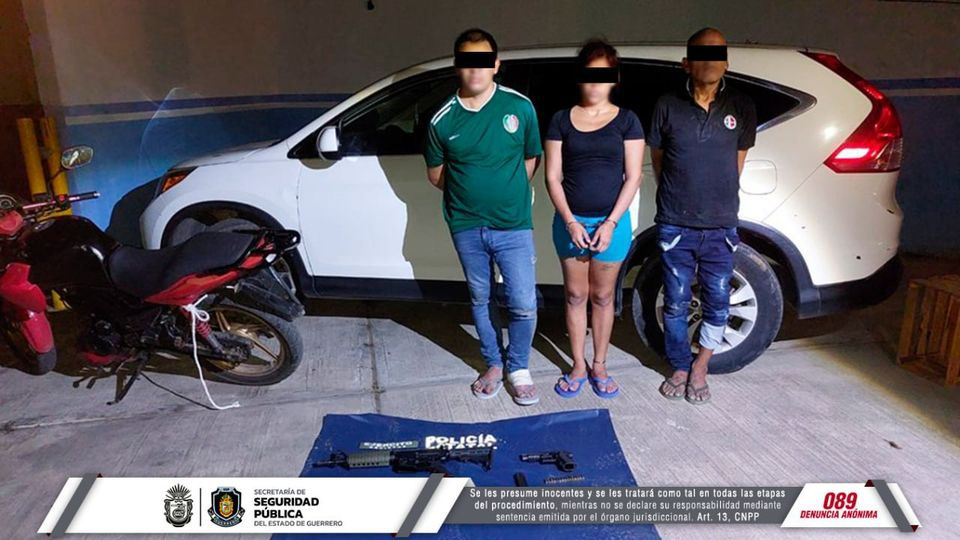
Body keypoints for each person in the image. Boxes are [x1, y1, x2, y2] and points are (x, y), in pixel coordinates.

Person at [423, 28, 543, 405]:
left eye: (482, 61)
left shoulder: (520, 107)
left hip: (513, 225)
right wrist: (472, 193)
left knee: (523, 302)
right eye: (467, 62)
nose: (475, 70)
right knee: (480, 296)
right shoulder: (441, 120)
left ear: (495, 65)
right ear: (457, 66)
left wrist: (505, 193)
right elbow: (437, 175)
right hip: (466, 225)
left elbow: (531, 158)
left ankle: (518, 366)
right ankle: (493, 363)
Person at [647, 27, 757, 404]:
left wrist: (715, 200)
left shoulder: (741, 106)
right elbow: (659, 161)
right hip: (676, 223)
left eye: (717, 54)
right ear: (686, 63)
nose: (710, 61)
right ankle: (680, 365)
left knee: (718, 299)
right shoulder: (666, 104)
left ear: (726, 63)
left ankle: (701, 367)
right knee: (675, 301)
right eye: (701, 54)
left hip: (720, 225)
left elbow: (737, 163)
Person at [544, 39, 644, 399]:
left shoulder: (628, 121)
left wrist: (610, 223)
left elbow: (634, 176)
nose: (595, 82)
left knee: (602, 296)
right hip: (570, 223)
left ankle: (599, 364)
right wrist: (570, 221)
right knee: (575, 294)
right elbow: (552, 176)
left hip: (611, 225)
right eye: (590, 74)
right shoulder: (560, 120)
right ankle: (577, 364)